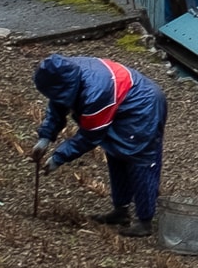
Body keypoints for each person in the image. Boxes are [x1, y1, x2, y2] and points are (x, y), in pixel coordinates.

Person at [30, 52, 167, 236]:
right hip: (121, 102)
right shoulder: (64, 72)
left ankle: (144, 221)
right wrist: (45, 137)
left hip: (143, 105)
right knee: (115, 152)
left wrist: (58, 158)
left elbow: (90, 136)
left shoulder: (96, 93)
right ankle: (121, 211)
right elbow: (58, 101)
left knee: (139, 158)